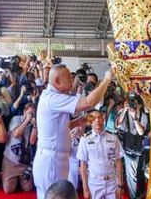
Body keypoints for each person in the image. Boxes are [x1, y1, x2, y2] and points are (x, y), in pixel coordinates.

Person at [33, 64, 114, 199]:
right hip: (51, 161)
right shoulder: (52, 98)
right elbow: (88, 102)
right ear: (57, 81)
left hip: (56, 159)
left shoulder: (52, 96)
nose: (72, 80)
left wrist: (78, 121)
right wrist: (106, 80)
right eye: (69, 77)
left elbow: (57, 127)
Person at [78, 109, 124, 199]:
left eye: (99, 117)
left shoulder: (113, 138)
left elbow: (119, 162)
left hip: (112, 182)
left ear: (103, 120)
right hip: (94, 183)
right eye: (93, 118)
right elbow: (82, 165)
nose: (97, 120)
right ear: (90, 122)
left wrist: (120, 184)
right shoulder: (85, 140)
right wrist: (85, 188)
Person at [116, 94, 149, 199]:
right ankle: (133, 196)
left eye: (134, 103)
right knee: (131, 177)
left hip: (139, 148)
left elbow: (141, 132)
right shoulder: (123, 112)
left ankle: (141, 194)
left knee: (140, 174)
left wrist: (135, 117)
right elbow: (117, 125)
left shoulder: (143, 115)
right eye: (130, 102)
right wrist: (124, 110)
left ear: (139, 105)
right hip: (128, 148)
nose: (132, 105)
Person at [2, 102, 38, 194]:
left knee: (28, 188)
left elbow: (32, 141)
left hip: (24, 160)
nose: (31, 115)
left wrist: (34, 126)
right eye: (29, 113)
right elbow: (16, 134)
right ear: (24, 112)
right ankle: (5, 173)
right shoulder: (16, 119)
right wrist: (26, 121)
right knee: (8, 190)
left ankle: (18, 179)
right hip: (11, 159)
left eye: (32, 114)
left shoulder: (35, 123)